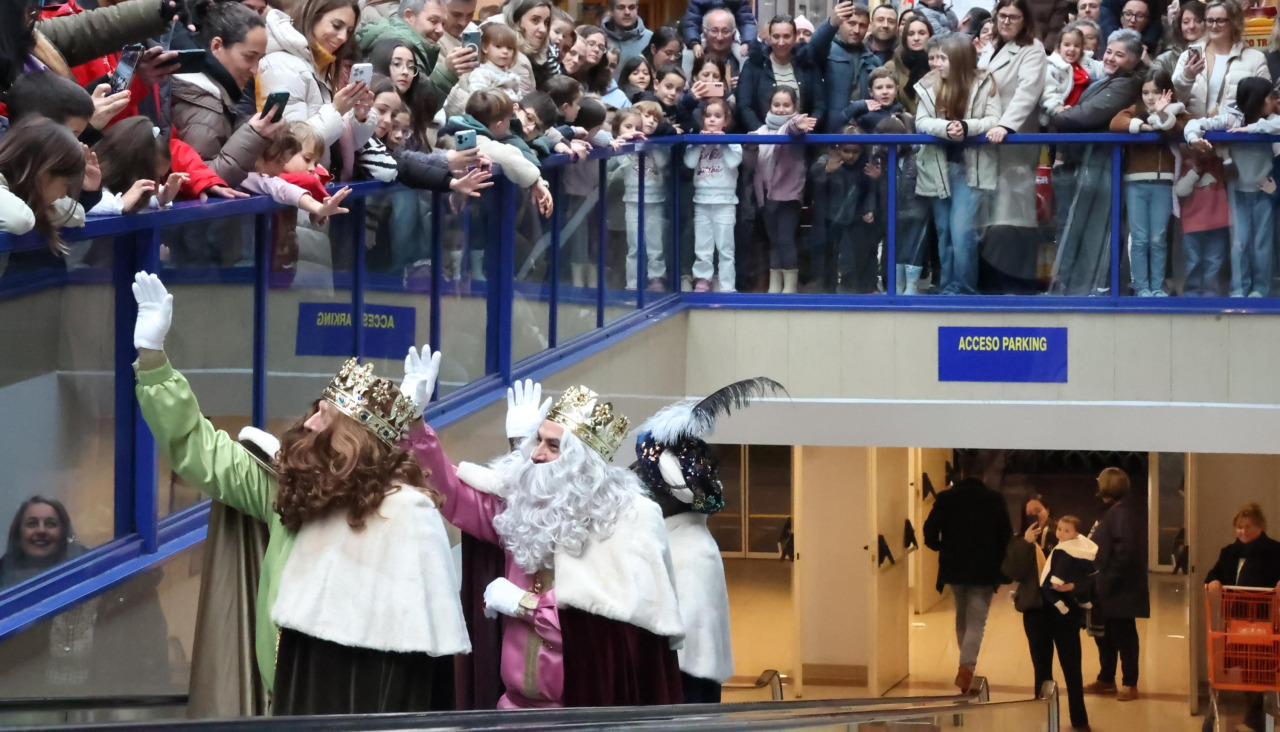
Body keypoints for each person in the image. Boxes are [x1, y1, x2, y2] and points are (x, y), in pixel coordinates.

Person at [129, 272, 469, 713]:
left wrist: (405, 426)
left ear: (351, 439)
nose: (306, 424)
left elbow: (415, 661)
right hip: (285, 706)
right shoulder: (288, 491)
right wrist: (153, 360)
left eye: (322, 417)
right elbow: (199, 450)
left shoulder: (406, 510)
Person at [406, 378, 685, 708]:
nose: (536, 454)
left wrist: (523, 604)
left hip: (579, 710)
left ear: (582, 464)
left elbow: (606, 629)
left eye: (553, 446)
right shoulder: (524, 511)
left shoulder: (626, 521)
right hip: (512, 708)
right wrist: (414, 423)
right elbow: (449, 491)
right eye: (537, 441)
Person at [630, 378, 782, 703]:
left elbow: (689, 665)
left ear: (671, 495)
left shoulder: (692, 554)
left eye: (646, 479)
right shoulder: (671, 539)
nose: (638, 485)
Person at [1048, 29, 1145, 296]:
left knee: (1092, 230)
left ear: (1135, 59)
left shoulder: (1126, 84)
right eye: (1109, 52)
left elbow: (1085, 116)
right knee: (1074, 225)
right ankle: (1075, 285)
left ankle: (1093, 288)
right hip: (1085, 162)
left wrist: (1056, 114)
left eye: (1120, 54)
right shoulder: (1106, 78)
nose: (1111, 58)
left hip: (1101, 164)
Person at [916, 34, 1004, 295]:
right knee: (944, 232)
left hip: (971, 168)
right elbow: (921, 121)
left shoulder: (985, 82)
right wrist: (946, 128)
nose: (937, 64)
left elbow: (994, 119)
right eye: (936, 57)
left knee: (962, 231)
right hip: (938, 167)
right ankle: (947, 286)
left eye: (943, 58)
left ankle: (964, 288)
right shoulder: (928, 84)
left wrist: (966, 127)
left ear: (959, 59)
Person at [1185, 77, 1279, 297]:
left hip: (1264, 193)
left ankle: (1261, 291)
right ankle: (1240, 290)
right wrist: (1193, 139)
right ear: (1257, 99)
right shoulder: (1231, 119)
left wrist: (1254, 129)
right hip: (1237, 190)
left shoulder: (1272, 120)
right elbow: (1195, 124)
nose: (1273, 100)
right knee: (1240, 243)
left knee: (1262, 245)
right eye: (1269, 97)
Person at [1002, 496, 1090, 731]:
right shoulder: (1021, 540)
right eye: (1029, 513)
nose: (1034, 516)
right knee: (1041, 669)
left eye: (1038, 511)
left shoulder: (1066, 535)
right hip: (1035, 611)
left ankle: (1080, 721)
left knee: (1072, 668)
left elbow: (1087, 571)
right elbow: (1013, 573)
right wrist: (1025, 544)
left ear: (1048, 510)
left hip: (1065, 612)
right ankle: (1044, 719)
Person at [978, 0, 1047, 295]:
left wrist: (1006, 126)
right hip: (983, 139)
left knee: (1012, 217)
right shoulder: (988, 46)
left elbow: (1026, 94)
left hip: (1014, 142)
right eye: (1002, 16)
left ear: (1024, 20)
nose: (1006, 21)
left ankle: (1016, 285)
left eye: (1013, 17)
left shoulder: (1033, 49)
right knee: (986, 219)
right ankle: (989, 283)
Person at [171, 0, 279, 189]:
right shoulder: (203, 108)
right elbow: (201, 182)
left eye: (260, 59)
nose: (255, 70)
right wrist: (253, 136)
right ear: (217, 46)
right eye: (249, 57)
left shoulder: (218, 96)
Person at [257, 0, 375, 168]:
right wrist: (336, 110)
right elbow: (291, 148)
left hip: (317, 182)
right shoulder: (282, 65)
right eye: (336, 26)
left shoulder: (320, 67)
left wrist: (360, 117)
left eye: (349, 31)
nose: (343, 37)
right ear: (312, 17)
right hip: (293, 189)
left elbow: (335, 147)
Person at [923, 476, 1013, 692]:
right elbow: (1006, 534)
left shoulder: (946, 498)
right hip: (984, 569)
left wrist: (942, 546)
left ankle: (965, 666)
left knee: (961, 616)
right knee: (977, 621)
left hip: (954, 567)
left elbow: (929, 531)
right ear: (983, 480)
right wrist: (998, 558)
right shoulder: (994, 499)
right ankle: (966, 667)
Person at [1205, 504, 1280, 732]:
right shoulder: (1229, 552)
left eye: (1248, 527)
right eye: (1238, 527)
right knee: (1247, 669)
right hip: (1235, 622)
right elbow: (1213, 574)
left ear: (1261, 527)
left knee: (1262, 673)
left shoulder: (1276, 551)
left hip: (1266, 621)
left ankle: (1260, 721)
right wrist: (1214, 581)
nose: (1242, 532)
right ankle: (1254, 718)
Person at [1111, 68, 1186, 296]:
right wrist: (1143, 126)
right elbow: (1116, 123)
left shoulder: (1178, 111)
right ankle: (1142, 287)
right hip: (1135, 182)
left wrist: (1162, 116)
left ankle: (1157, 286)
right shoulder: (1136, 111)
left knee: (1158, 239)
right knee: (1140, 238)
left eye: (1156, 92)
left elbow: (1178, 128)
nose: (1150, 97)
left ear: (1168, 92)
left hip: (1164, 183)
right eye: (1145, 92)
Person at [1083, 467, 1149, 703]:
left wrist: (1106, 580)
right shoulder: (1113, 511)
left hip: (1119, 589)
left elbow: (1126, 553)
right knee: (1106, 636)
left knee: (1124, 636)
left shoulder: (1121, 514)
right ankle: (1106, 678)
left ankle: (1130, 683)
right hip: (1108, 588)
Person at [752, 86, 817, 294]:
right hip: (766, 194)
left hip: (788, 195)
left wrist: (798, 123)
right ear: (770, 106)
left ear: (794, 107)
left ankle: (789, 287)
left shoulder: (793, 125)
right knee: (774, 241)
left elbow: (794, 129)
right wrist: (748, 144)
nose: (781, 109)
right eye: (776, 104)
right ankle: (775, 284)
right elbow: (750, 155)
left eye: (786, 105)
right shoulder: (761, 130)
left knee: (786, 239)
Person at [355, 0, 473, 115]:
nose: (440, 30)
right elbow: (421, 108)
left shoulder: (402, 38)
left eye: (443, 24)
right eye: (433, 21)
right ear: (409, 16)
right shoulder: (400, 45)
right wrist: (447, 73)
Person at [1172, 0, 1270, 118]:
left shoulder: (1256, 59)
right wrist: (1186, 77)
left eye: (1220, 21)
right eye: (1210, 20)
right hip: (1195, 133)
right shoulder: (1188, 56)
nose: (1214, 26)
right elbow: (1174, 101)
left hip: (1235, 133)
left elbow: (1267, 104)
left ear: (1234, 22)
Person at [809, 134, 880, 292]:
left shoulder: (867, 163)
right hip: (830, 217)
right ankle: (828, 289)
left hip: (857, 217)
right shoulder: (826, 160)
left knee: (858, 256)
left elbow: (871, 190)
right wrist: (827, 171)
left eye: (855, 152)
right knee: (828, 256)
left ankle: (857, 288)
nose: (850, 156)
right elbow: (813, 184)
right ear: (837, 148)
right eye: (846, 151)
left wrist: (870, 207)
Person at [684, 98, 742, 292]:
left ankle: (727, 285)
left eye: (717, 116)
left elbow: (733, 162)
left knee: (726, 248)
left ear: (726, 121)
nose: (712, 120)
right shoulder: (696, 143)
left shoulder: (733, 143)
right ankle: (702, 279)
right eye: (708, 116)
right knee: (703, 246)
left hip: (725, 203)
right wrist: (700, 144)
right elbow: (690, 163)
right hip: (701, 201)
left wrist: (722, 143)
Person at [737, 15, 824, 132]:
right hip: (762, 142)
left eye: (786, 36)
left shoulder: (807, 64)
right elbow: (744, 106)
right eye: (776, 36)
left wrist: (806, 128)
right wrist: (762, 135)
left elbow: (820, 105)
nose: (781, 42)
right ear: (769, 38)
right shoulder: (754, 64)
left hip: (802, 141)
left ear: (794, 37)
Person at [810, 2, 879, 132]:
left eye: (862, 25)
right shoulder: (826, 52)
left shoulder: (874, 61)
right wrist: (830, 24)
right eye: (851, 23)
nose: (857, 30)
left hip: (865, 135)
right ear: (840, 23)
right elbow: (812, 50)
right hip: (830, 134)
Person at [0, 497, 83, 589]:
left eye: (50, 524)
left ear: (63, 532)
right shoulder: (2, 572)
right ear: (19, 533)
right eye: (32, 523)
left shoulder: (87, 566)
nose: (41, 530)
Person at [443, 22, 522, 117]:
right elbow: (477, 97)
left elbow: (519, 96)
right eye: (498, 46)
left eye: (509, 48)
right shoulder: (482, 72)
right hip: (492, 115)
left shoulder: (512, 75)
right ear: (485, 48)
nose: (505, 51)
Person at [1039, 516, 1098, 615]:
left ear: (1076, 534)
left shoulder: (1065, 549)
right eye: (1059, 529)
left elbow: (1063, 565)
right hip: (1078, 581)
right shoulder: (1080, 543)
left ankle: (1058, 603)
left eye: (1066, 531)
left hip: (1063, 582)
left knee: (1045, 587)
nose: (1061, 533)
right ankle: (1084, 601)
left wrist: (1057, 579)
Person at [884, 15, 934, 115]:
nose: (916, 38)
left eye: (921, 33)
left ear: (930, 36)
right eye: (911, 34)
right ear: (905, 38)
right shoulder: (892, 67)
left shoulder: (938, 64)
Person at [682, 8, 747, 80]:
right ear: (705, 32)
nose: (720, 37)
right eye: (714, 31)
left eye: (725, 31)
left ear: (733, 33)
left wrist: (741, 86)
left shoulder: (742, 60)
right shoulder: (692, 59)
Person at [1152, 0, 1205, 79]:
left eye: (1198, 21)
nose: (1191, 26)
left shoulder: (1218, 53)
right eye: (1186, 22)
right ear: (1179, 25)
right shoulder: (1165, 60)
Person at [603, 0, 653, 70]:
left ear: (637, 9)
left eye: (632, 7)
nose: (627, 12)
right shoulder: (600, 38)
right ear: (611, 11)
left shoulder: (650, 38)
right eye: (621, 7)